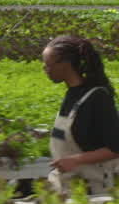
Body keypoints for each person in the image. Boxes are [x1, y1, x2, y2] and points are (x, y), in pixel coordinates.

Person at [42, 35, 119, 193]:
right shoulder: (72, 94)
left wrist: (76, 160)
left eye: (48, 65)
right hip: (66, 186)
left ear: (66, 64)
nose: (46, 70)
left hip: (93, 191)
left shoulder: (97, 98)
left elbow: (115, 148)